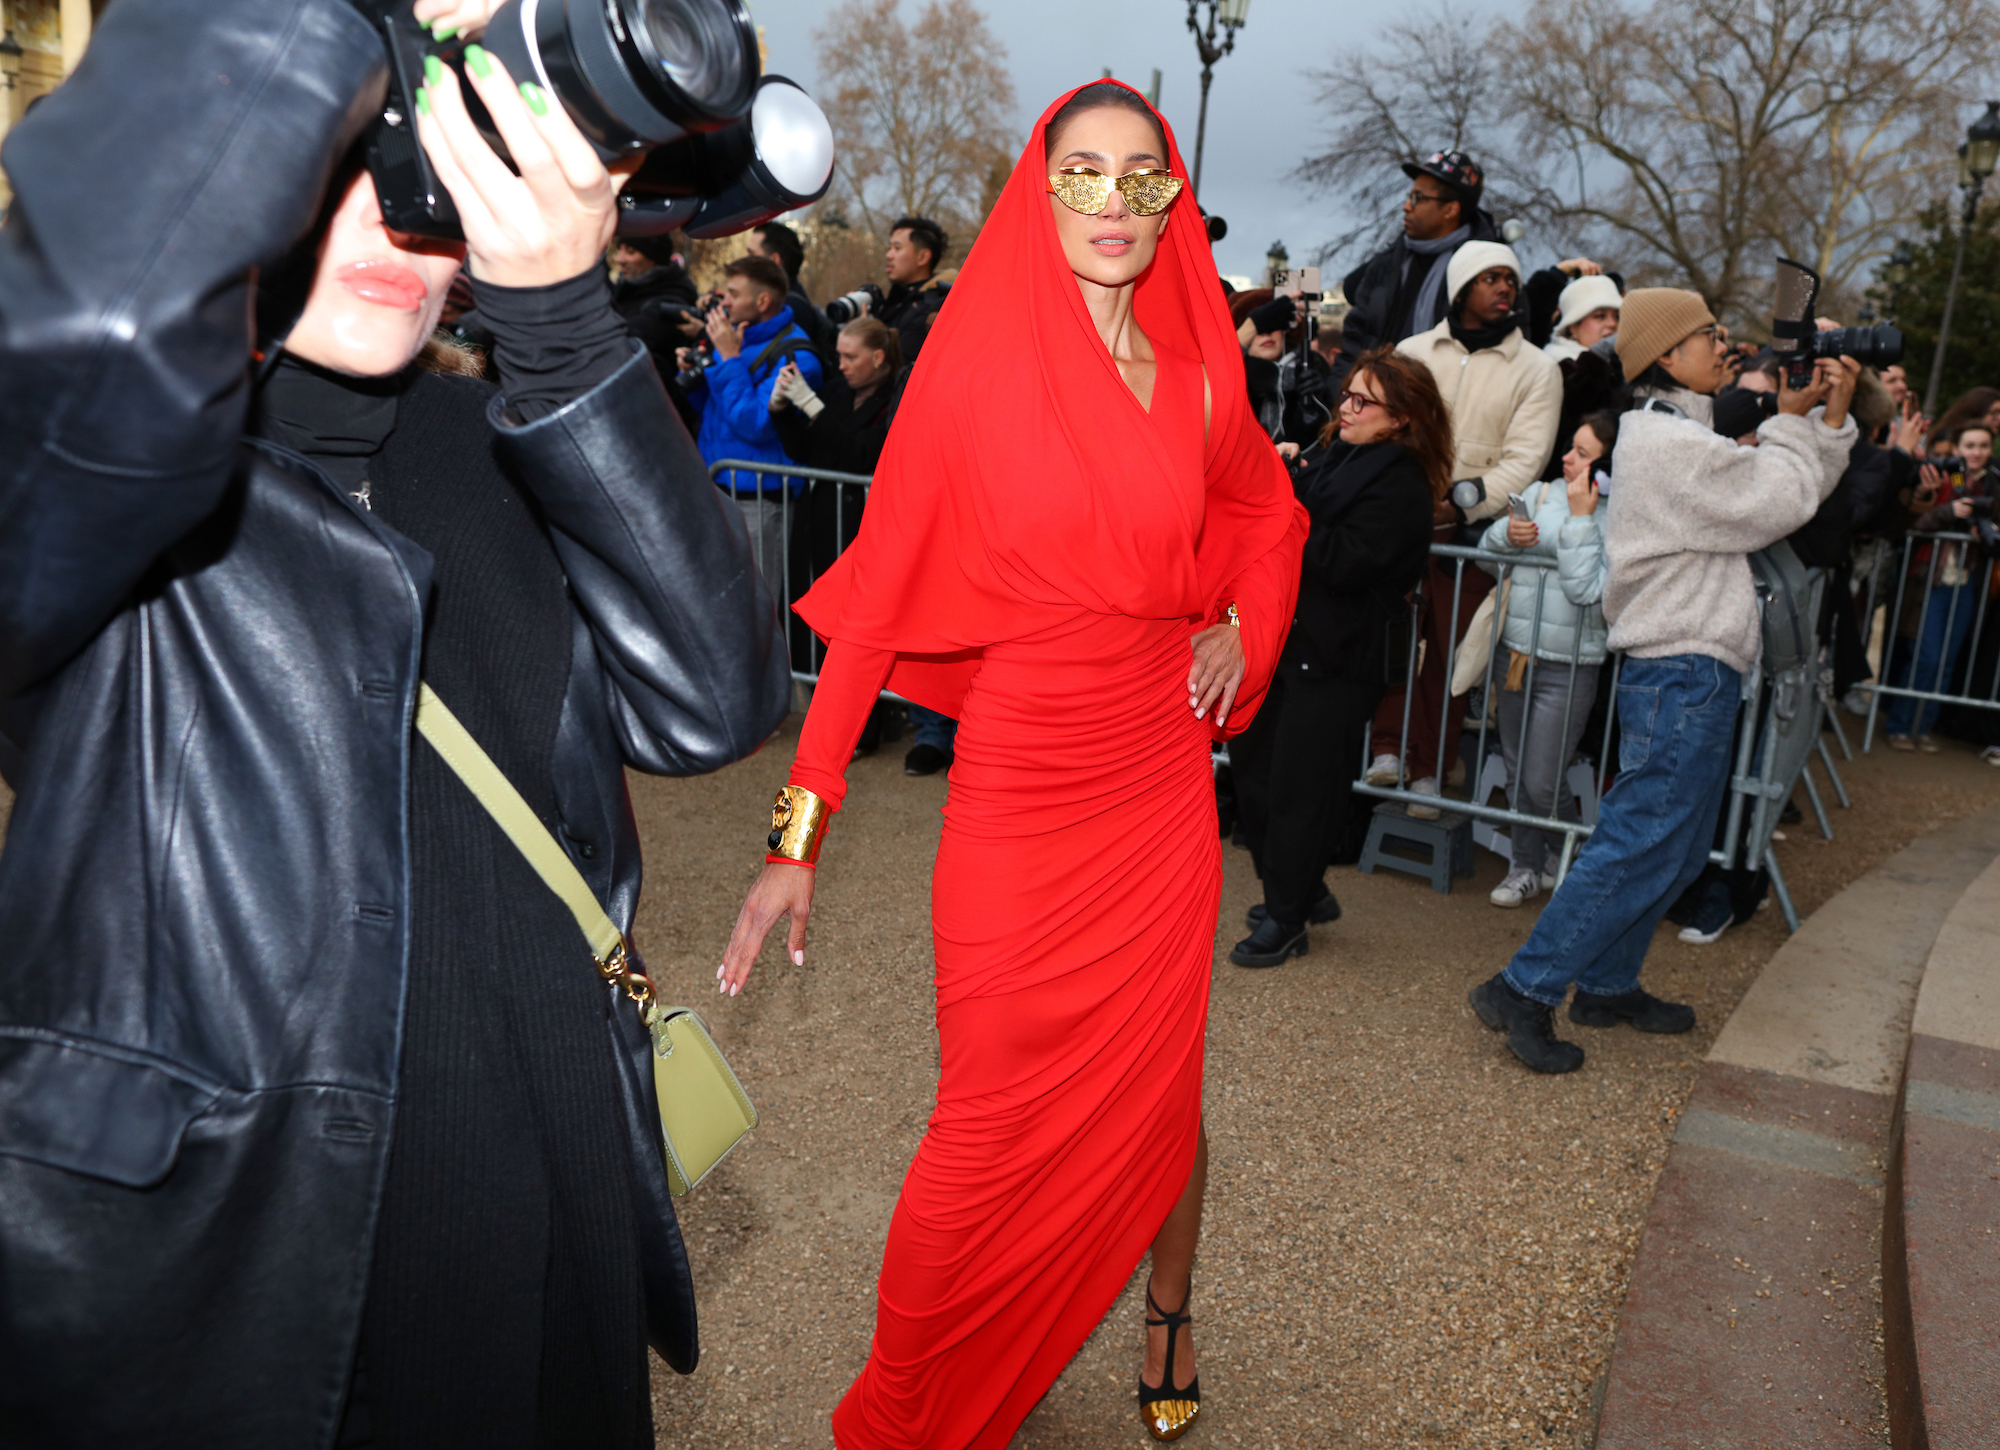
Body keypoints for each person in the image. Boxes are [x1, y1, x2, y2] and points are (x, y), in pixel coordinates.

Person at [0, 2, 792, 1441]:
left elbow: (710, 703)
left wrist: (560, 325)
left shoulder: (503, 442)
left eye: (432, 152)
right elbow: (106, 315)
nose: (394, 211)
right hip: (261, 1278)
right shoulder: (101, 479)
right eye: (338, 152)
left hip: (555, 1231)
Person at [718, 81, 1305, 1445]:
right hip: (1023, 794)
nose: (1111, 200)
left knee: (1157, 1089)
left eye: (1139, 176)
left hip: (1157, 793)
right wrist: (790, 843)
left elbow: (1267, 520)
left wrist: (1235, 623)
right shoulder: (974, 376)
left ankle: (1166, 1308)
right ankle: (910, 1405)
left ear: (1171, 204)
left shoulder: (1209, 378)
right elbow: (867, 616)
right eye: (1082, 172)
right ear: (1041, 197)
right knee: (978, 1135)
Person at [1469, 288, 1858, 1074]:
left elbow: (1780, 481)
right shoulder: (1666, 444)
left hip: (1689, 668)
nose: (1726, 346)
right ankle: (1524, 987)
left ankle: (1608, 984)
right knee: (1638, 844)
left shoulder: (1676, 432)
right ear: (1666, 358)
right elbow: (1778, 497)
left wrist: (1823, 419)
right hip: (1681, 671)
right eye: (1709, 335)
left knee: (1674, 852)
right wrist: (1802, 421)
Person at [1227, 349, 1443, 966]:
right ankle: (1299, 888)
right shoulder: (1339, 453)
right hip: (1289, 643)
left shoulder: (1401, 483)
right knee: (1258, 774)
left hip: (1339, 656)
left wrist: (1284, 512)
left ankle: (1288, 918)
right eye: (1347, 394)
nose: (1345, 407)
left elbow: (1345, 560)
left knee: (1299, 788)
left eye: (1362, 400)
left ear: (1401, 418)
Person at [1369, 241, 1562, 815]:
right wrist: (1402, 494)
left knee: (1455, 655)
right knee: (1395, 638)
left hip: (1475, 534)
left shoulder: (1538, 368)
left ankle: (1430, 771)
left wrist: (1461, 502)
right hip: (1402, 521)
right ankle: (1387, 750)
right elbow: (1383, 426)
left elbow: (1526, 460)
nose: (1505, 287)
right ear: (1460, 289)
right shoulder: (1412, 351)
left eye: (1511, 278)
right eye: (1490, 278)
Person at [1478, 411, 1615, 908]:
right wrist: (1502, 538)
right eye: (1571, 447)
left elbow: (1586, 591)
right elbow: (1484, 557)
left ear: (1606, 470)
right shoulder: (1539, 492)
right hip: (1515, 654)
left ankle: (1577, 857)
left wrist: (1581, 520)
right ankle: (1524, 867)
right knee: (1517, 773)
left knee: (1542, 778)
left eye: (1582, 452)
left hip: (1571, 664)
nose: (1567, 457)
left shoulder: (1620, 517)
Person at [770, 316, 905, 686]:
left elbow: (860, 454)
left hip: (856, 524)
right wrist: (780, 411)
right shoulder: (837, 392)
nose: (841, 365)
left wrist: (813, 408)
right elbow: (805, 449)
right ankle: (812, 692)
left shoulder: (894, 400)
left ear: (878, 357)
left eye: (850, 357)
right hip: (817, 515)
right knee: (805, 607)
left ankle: (866, 723)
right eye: (839, 356)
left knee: (850, 621)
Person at [682, 253, 825, 596]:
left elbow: (754, 425)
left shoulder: (798, 357)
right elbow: (712, 412)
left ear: (762, 301)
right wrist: (695, 371)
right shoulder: (736, 338)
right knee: (714, 596)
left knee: (756, 601)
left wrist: (729, 361)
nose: (724, 301)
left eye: (733, 293)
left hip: (761, 500)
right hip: (716, 488)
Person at [1329, 148, 1500, 386]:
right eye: (1409, 197)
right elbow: (1354, 344)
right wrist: (1342, 397)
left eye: (1418, 198)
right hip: (1370, 407)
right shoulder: (1386, 264)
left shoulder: (1488, 272)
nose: (1406, 207)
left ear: (1451, 210)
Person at [1882, 421, 1994, 749]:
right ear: (1958, 449)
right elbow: (1915, 521)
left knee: (1946, 660)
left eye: (1983, 446)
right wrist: (1949, 511)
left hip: (1965, 581)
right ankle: (1900, 725)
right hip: (1931, 579)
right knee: (1926, 656)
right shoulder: (1946, 477)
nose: (1977, 452)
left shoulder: (1990, 485)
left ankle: (1923, 727)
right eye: (1970, 446)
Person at [747, 218, 837, 360]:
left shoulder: (790, 308)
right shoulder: (788, 300)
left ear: (774, 260)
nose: (745, 260)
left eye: (752, 254)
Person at [877, 213, 954, 365]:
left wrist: (866, 337)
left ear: (923, 257)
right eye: (889, 247)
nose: (888, 255)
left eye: (897, 248)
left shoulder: (939, 307)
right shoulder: (895, 300)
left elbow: (893, 365)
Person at [1541, 272, 1622, 361]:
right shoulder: (1559, 367)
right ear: (1573, 327)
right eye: (1600, 316)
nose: (1613, 323)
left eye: (1617, 317)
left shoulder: (1623, 362)